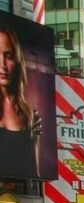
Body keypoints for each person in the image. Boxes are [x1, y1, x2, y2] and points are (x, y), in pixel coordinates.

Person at [0, 24, 41, 179]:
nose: (2, 65)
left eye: (8, 56)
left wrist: (34, 141)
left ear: (16, 61)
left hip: (23, 193)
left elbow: (33, 172)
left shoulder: (27, 113)